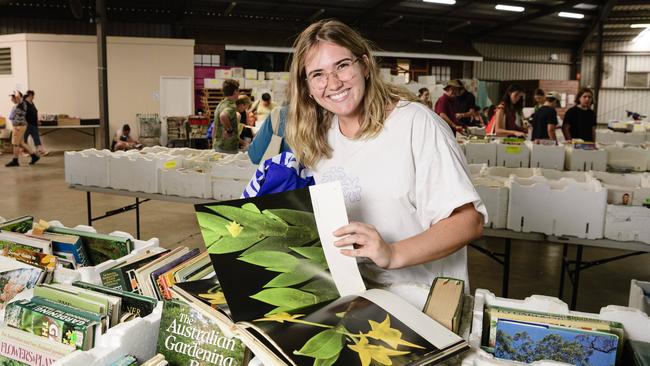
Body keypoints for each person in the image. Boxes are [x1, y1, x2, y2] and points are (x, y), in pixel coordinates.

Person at [286, 19, 486, 308]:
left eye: (342, 66)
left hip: (424, 301)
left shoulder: (415, 124)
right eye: (318, 74)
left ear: (365, 65)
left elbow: (469, 222)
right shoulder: (318, 138)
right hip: (356, 299)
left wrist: (391, 253)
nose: (333, 83)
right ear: (306, 87)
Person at [6, 91, 39, 167]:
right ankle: (34, 156)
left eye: (13, 97)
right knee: (21, 143)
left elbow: (18, 96)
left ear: (17, 98)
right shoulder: (17, 105)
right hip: (19, 126)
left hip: (18, 127)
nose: (11, 99)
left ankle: (15, 161)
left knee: (15, 144)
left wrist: (16, 91)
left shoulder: (22, 103)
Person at [212, 79, 241, 153]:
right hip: (228, 148)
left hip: (218, 145)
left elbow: (214, 127)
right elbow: (223, 116)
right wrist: (230, 131)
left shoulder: (221, 104)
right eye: (238, 91)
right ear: (235, 91)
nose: (239, 93)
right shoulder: (231, 105)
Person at [23, 90, 47, 156]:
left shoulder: (32, 102)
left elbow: (35, 112)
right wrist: (24, 122)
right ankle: (23, 152)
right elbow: (22, 114)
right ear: (30, 95)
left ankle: (39, 150)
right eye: (33, 96)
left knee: (36, 137)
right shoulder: (24, 103)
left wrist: (37, 121)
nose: (34, 97)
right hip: (27, 124)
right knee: (24, 139)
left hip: (33, 124)